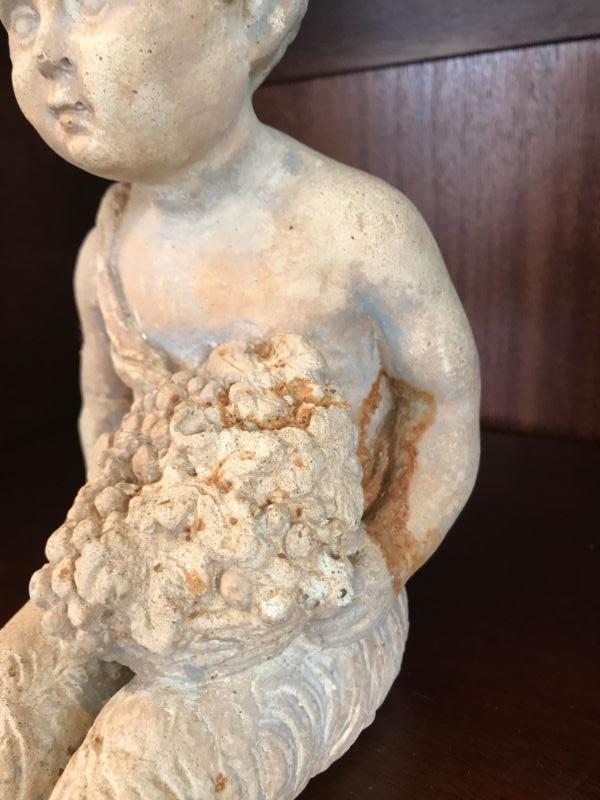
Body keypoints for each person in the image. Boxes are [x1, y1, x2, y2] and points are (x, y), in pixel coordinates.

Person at [0, 1, 480, 797]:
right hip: (137, 578)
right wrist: (115, 553)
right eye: (22, 17)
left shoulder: (356, 230)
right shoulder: (105, 249)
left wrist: (383, 562)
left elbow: (444, 406)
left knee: (135, 774)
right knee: (12, 704)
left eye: (93, 4)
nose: (47, 50)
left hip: (306, 603)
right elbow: (105, 413)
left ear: (259, 12)